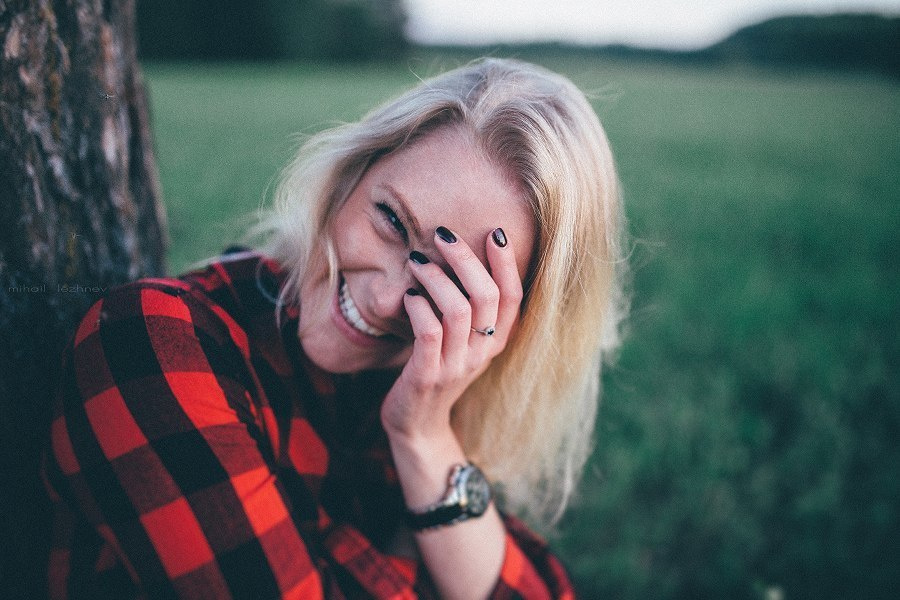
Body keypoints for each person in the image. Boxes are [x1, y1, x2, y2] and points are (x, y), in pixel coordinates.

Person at [44, 58, 626, 599]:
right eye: (392, 221)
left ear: (506, 323)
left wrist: (423, 439)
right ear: (352, 172)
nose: (383, 300)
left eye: (452, 286)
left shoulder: (423, 389)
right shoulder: (154, 343)